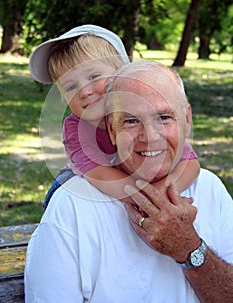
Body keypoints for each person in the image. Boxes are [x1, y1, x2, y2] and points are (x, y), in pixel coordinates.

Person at [25, 60, 233, 302]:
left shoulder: (210, 188)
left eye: (164, 117)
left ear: (187, 120)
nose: (150, 137)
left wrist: (189, 249)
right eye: (131, 121)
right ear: (111, 131)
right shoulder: (72, 207)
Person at [29, 24, 199, 208]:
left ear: (121, 75)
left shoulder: (144, 111)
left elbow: (190, 163)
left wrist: (165, 192)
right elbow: (102, 176)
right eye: (70, 87)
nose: (84, 91)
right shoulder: (75, 130)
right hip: (93, 179)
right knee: (67, 194)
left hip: (133, 179)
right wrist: (150, 200)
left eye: (94, 76)